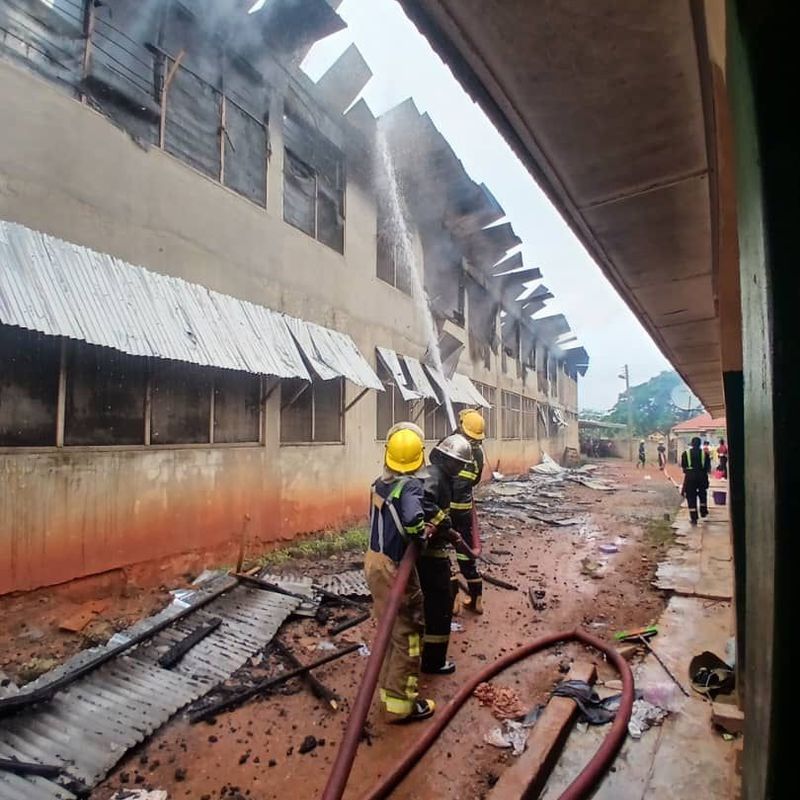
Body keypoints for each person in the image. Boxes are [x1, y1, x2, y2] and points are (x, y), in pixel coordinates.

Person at [364, 428, 433, 723]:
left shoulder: (379, 484)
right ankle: (401, 704)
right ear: (419, 459)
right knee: (409, 631)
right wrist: (424, 533)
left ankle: (388, 691)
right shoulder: (411, 488)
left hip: (373, 563)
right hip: (395, 566)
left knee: (389, 628)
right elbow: (414, 520)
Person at [419, 432, 474, 676]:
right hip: (429, 553)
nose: (461, 468)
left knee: (438, 599)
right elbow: (425, 503)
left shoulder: (440, 475)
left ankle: (429, 653)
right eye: (459, 463)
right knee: (440, 604)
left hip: (433, 550)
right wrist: (448, 529)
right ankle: (434, 661)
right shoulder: (434, 476)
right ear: (446, 459)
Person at [452, 409, 486, 614]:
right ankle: (476, 599)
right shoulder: (479, 453)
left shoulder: (453, 444)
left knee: (439, 554)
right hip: (464, 510)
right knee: (465, 553)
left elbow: (437, 468)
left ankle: (451, 601)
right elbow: (475, 479)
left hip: (445, 509)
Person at [681, 436, 712, 525]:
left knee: (691, 496)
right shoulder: (705, 454)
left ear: (692, 444)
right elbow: (707, 467)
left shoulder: (685, 453)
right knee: (702, 493)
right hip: (702, 476)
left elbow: (684, 467)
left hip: (690, 476)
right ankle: (703, 511)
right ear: (700, 444)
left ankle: (694, 518)